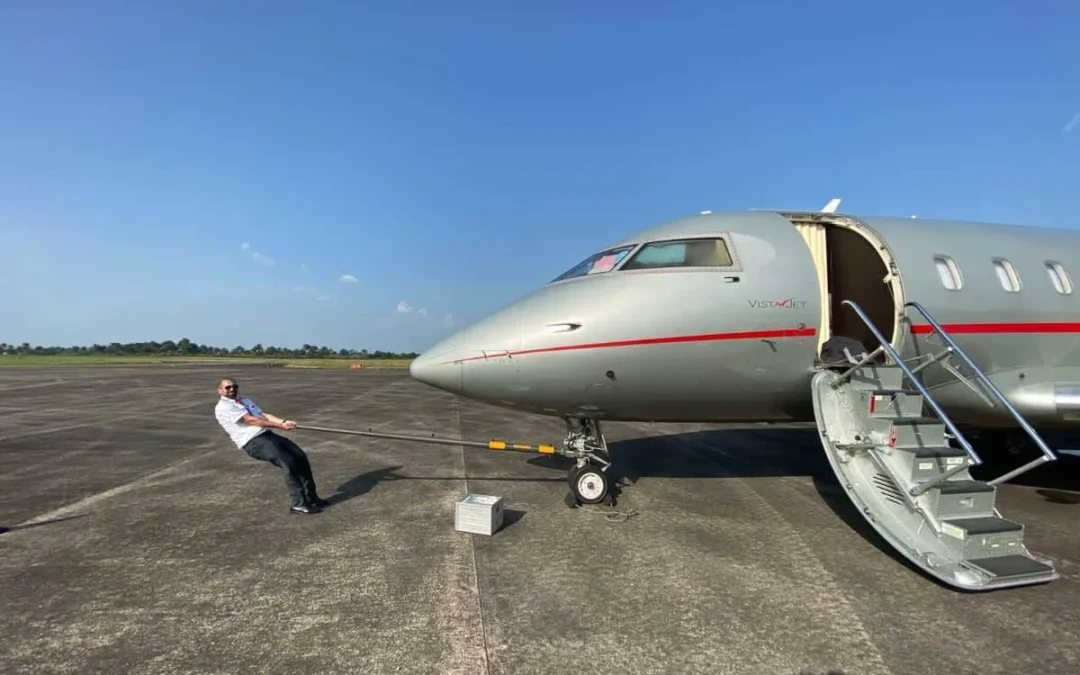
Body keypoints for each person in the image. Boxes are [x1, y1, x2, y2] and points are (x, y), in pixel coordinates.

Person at [214, 377, 329, 515]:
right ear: (220, 390)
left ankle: (311, 498)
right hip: (252, 441)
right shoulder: (224, 407)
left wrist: (284, 422)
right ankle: (298, 504)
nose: (232, 389)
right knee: (288, 462)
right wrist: (280, 426)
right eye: (228, 387)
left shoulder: (244, 400)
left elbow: (263, 415)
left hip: (266, 435)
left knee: (299, 456)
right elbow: (251, 420)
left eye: (235, 386)